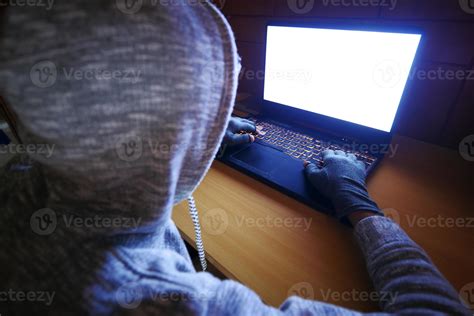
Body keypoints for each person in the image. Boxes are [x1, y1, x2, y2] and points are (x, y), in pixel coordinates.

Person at [0, 1, 469, 315]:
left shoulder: (19, 170)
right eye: (208, 113)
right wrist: (357, 202)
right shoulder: (164, 300)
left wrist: (197, 135)